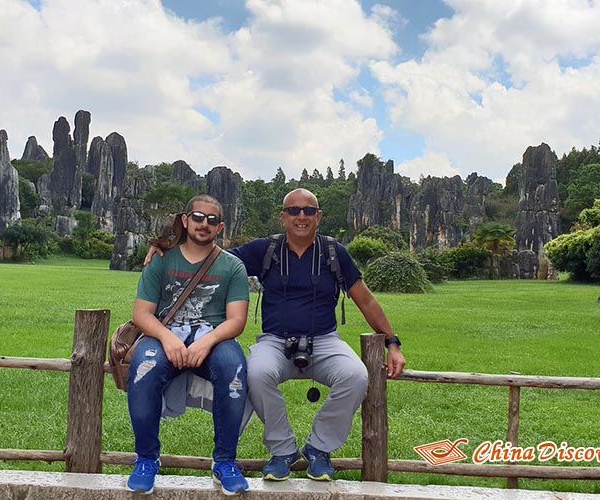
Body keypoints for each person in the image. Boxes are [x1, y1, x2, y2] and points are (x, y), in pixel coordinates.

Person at [146, 187, 406, 482]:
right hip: (275, 340)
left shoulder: (334, 252)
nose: (301, 216)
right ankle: (282, 449)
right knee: (256, 374)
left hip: (323, 339)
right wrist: (167, 249)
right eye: (293, 210)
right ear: (283, 217)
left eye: (308, 211)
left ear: (318, 217)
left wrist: (391, 342)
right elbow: (209, 259)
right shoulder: (266, 250)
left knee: (356, 376)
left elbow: (366, 300)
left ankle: (318, 448)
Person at [127, 194, 251, 496]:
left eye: (211, 220)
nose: (203, 224)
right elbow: (142, 313)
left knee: (233, 368)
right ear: (185, 220)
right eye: (197, 217)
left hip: (212, 335)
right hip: (164, 332)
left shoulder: (232, 266)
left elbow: (236, 320)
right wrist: (168, 338)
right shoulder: (161, 260)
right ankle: (146, 458)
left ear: (220, 227)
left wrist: (206, 341)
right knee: (143, 369)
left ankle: (224, 461)